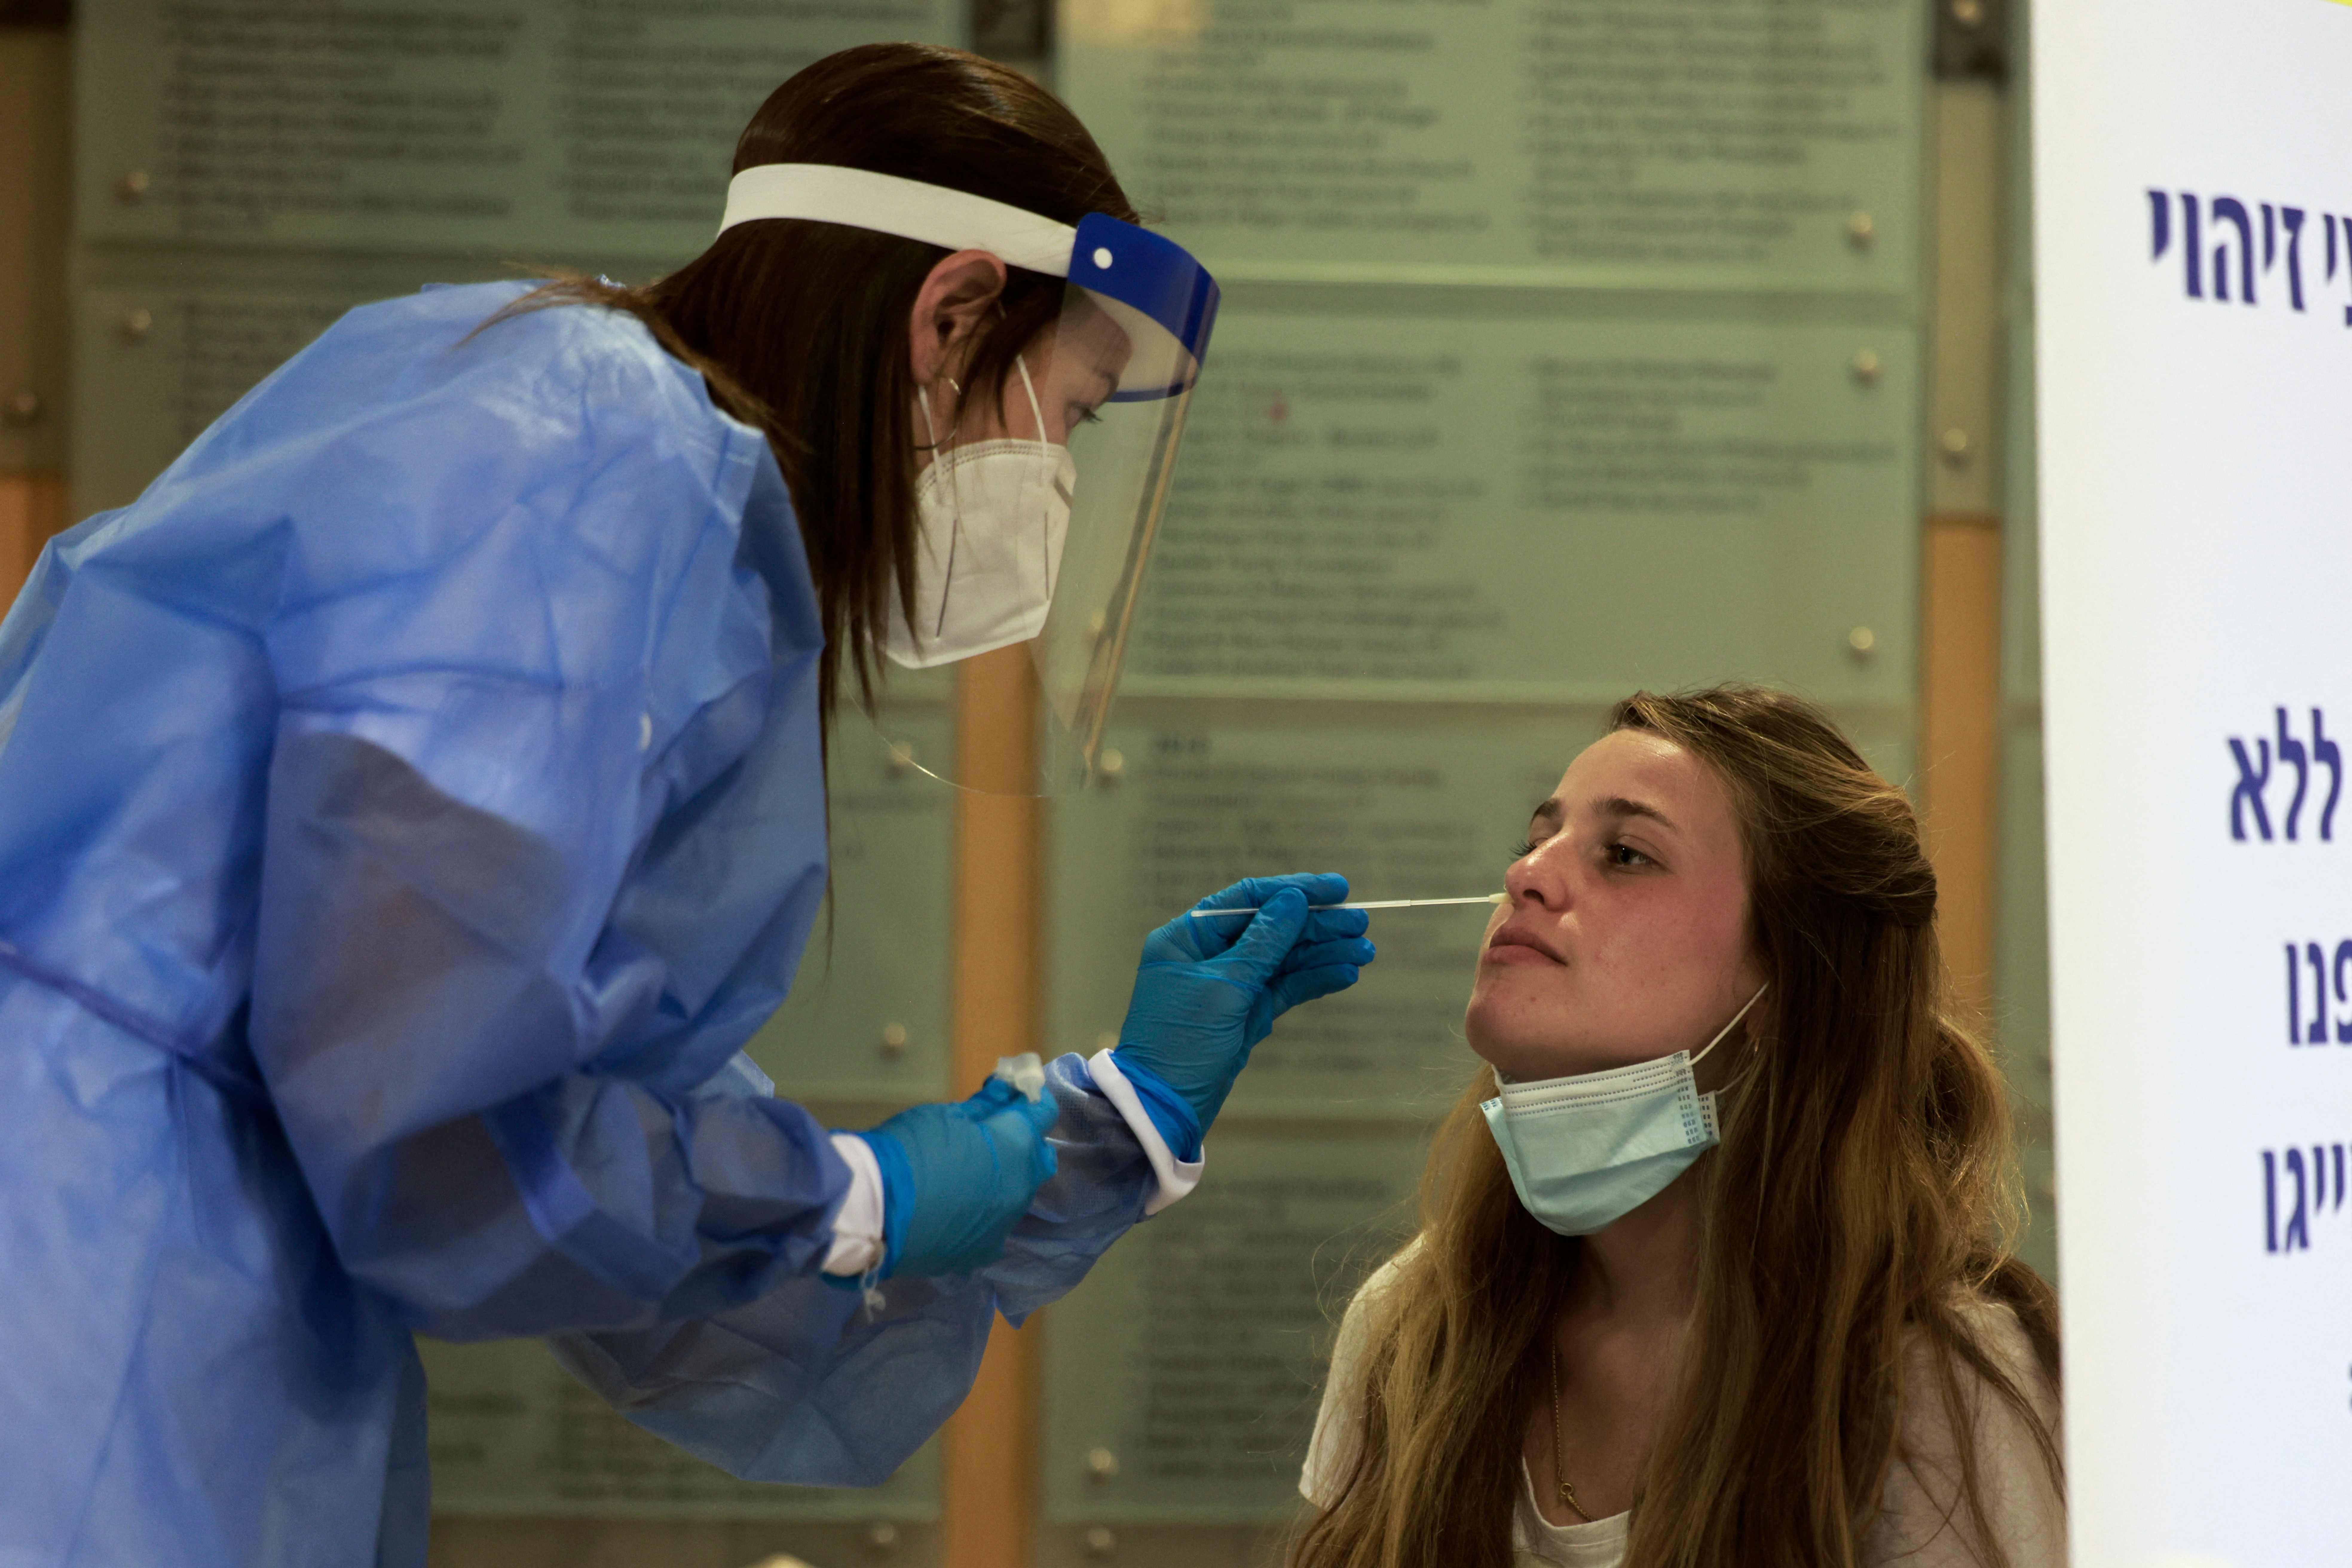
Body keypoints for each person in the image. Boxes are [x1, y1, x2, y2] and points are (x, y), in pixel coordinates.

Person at [0, 43, 1375, 1568]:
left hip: (182, 1301)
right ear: (956, 311)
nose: (1056, 473)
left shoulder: (631, 490)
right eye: (1078, 410)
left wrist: (1094, 1136)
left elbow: (599, 1188)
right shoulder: (582, 450)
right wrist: (857, 1186)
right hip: (77, 1296)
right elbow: (433, 1117)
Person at [1290, 686, 2063, 1568]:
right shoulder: (1415, 1326)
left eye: (1624, 854)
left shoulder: (1936, 1382)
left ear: (1787, 985)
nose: (1527, 874)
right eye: (1537, 838)